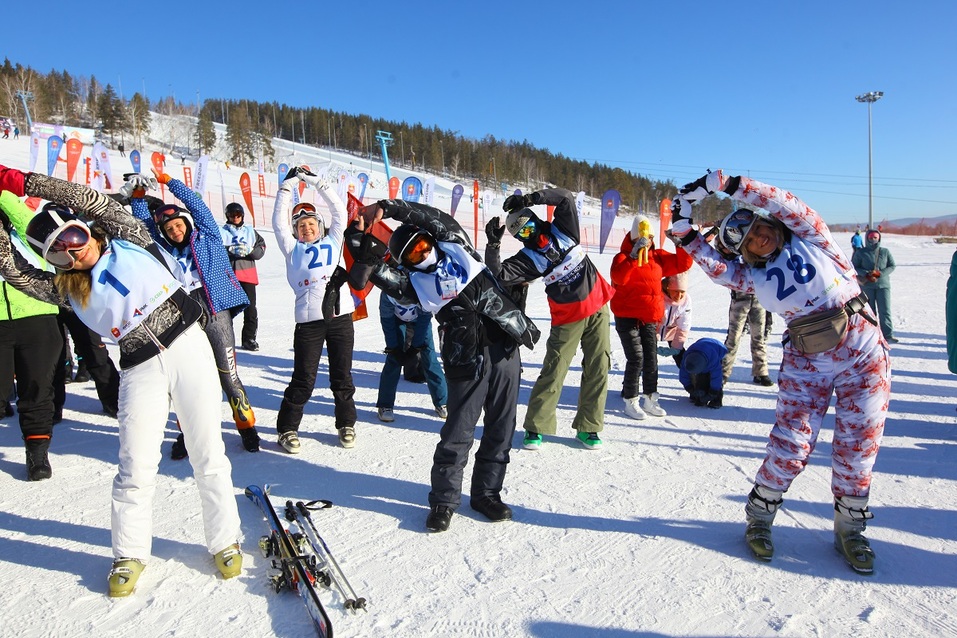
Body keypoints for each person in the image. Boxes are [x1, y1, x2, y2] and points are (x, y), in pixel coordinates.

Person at [0, 164, 243, 597]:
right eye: (59, 254)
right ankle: (129, 553)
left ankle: (225, 540)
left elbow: (83, 196)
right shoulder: (66, 289)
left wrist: (21, 183)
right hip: (139, 367)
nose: (73, 254)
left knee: (207, 451)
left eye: (73, 239)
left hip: (188, 346)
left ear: (86, 230)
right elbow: (15, 270)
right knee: (135, 465)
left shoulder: (129, 236)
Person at [670, 169, 890, 575]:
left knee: (858, 446)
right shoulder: (751, 277)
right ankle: (759, 515)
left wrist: (732, 186)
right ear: (746, 253)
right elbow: (715, 266)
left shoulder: (812, 237)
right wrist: (683, 230)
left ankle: (851, 528)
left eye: (759, 227)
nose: (759, 237)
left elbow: (784, 203)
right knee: (792, 444)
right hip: (808, 361)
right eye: (749, 240)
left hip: (862, 353)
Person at [345, 197, 539, 532]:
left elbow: (433, 217)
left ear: (430, 240)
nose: (422, 255)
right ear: (407, 262)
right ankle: (444, 501)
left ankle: (486, 494)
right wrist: (360, 248)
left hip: (505, 348)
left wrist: (390, 208)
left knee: (501, 428)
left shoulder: (457, 246)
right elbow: (382, 276)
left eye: (423, 246)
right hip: (466, 358)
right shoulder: (414, 284)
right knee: (458, 432)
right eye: (413, 255)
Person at [129, 169, 260, 455]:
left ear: (186, 223)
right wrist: (138, 198)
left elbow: (198, 206)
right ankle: (188, 435)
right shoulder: (163, 250)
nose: (175, 231)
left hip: (215, 313)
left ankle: (246, 426)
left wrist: (170, 182)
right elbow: (143, 230)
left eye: (178, 225)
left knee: (228, 375)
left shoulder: (208, 236)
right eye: (169, 229)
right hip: (184, 319)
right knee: (189, 382)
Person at [487, 187, 614, 450]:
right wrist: (493, 246)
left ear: (535, 219)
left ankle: (589, 427)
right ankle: (536, 426)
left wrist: (531, 198)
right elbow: (498, 275)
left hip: (598, 305)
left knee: (599, 366)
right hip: (568, 317)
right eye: (522, 233)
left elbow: (565, 198)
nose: (529, 233)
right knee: (555, 370)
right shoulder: (528, 259)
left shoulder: (564, 230)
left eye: (529, 226)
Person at [271, 167, 358, 451]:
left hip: (340, 318)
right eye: (301, 226)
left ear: (319, 226)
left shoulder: (334, 241)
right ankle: (287, 429)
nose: (306, 228)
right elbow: (278, 222)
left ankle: (346, 424)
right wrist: (287, 187)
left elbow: (339, 210)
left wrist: (314, 181)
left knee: (342, 376)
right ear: (295, 231)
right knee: (304, 379)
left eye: (311, 223)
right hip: (309, 323)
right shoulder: (292, 249)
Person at [0, 190, 63, 480]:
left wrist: (2, 191)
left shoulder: (28, 239)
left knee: (37, 390)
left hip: (38, 320)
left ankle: (37, 455)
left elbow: (26, 218)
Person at [609, 215, 693, 420]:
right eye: (641, 238)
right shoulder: (621, 257)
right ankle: (631, 400)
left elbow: (683, 264)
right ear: (633, 237)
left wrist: (680, 244)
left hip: (649, 317)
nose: (646, 242)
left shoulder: (657, 257)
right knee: (636, 358)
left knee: (650, 359)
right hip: (627, 316)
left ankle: (650, 398)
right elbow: (618, 277)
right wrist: (632, 257)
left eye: (650, 238)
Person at [376, 292, 448, 422]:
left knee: (429, 357)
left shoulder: (424, 291)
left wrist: (415, 347)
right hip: (396, 320)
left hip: (419, 319)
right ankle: (385, 405)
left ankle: (442, 402)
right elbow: (387, 321)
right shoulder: (388, 294)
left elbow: (424, 320)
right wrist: (393, 348)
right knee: (394, 360)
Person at [221, 202, 265, 351]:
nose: (235, 218)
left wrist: (250, 251)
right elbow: (215, 248)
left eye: (238, 215)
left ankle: (249, 338)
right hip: (229, 275)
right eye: (232, 215)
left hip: (247, 274)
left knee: (250, 309)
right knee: (227, 310)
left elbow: (261, 248)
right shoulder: (222, 231)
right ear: (227, 216)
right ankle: (226, 338)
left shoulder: (250, 231)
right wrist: (228, 250)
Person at [852, 229, 898, 344]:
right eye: (871, 237)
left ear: (879, 238)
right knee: (869, 311)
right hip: (867, 286)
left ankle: (888, 335)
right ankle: (871, 335)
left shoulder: (885, 252)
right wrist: (866, 273)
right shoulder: (861, 253)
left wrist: (880, 273)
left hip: (883, 286)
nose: (873, 239)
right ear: (867, 238)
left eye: (875, 237)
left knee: (885, 311)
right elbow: (854, 266)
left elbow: (892, 266)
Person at [722, 290, 774, 386]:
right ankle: (723, 372)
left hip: (759, 298)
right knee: (733, 338)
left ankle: (761, 372)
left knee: (759, 337)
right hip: (740, 298)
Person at [678, 337, 726, 408]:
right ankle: (699, 394)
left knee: (712, 378)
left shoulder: (713, 360)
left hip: (718, 349)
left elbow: (717, 377)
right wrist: (690, 388)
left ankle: (716, 400)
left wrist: (713, 392)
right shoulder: (687, 359)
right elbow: (683, 375)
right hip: (701, 347)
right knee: (699, 378)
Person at [658, 272, 692, 368]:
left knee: (682, 358)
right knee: (647, 358)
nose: (679, 295)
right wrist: (649, 343)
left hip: (672, 331)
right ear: (668, 288)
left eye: (682, 292)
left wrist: (676, 348)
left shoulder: (686, 301)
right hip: (654, 330)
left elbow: (684, 326)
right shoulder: (658, 296)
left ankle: (689, 375)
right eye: (676, 291)